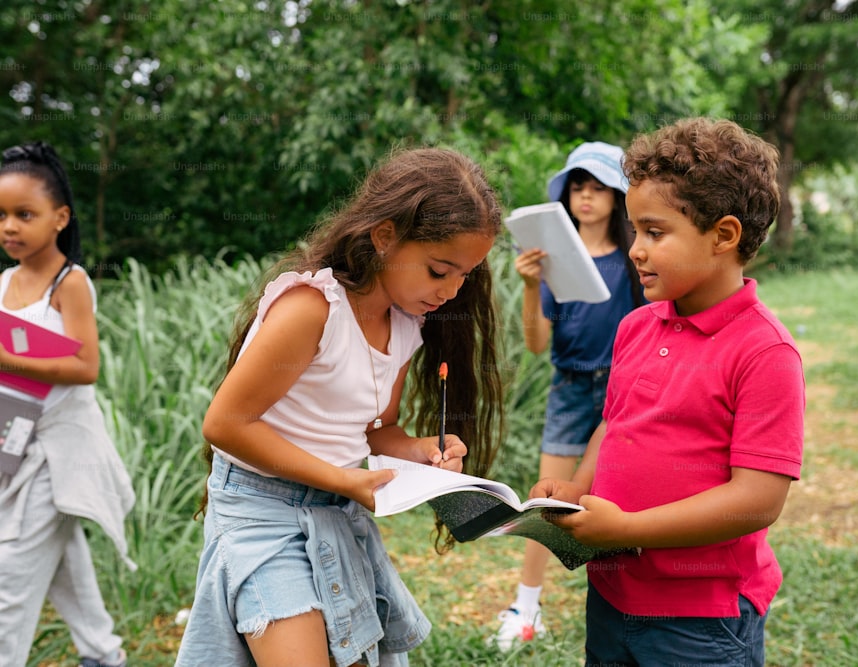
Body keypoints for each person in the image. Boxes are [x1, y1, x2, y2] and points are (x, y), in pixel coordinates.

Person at [175, 147, 505, 667]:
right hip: (262, 511)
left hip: (334, 511)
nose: (452, 290)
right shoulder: (312, 310)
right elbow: (225, 424)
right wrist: (342, 479)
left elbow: (375, 430)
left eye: (465, 275)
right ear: (384, 237)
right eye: (440, 270)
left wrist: (421, 450)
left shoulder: (404, 326)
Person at [532, 118, 806, 667]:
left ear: (724, 236)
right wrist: (576, 489)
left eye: (655, 233)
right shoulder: (635, 326)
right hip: (612, 595)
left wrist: (629, 528)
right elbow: (614, 426)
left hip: (701, 618)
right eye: (635, 231)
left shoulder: (764, 352)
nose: (635, 250)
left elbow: (758, 500)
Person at [492, 141, 644, 650]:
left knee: (619, 499)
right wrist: (533, 286)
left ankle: (631, 606)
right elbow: (537, 343)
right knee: (548, 499)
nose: (587, 195)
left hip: (623, 386)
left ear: (618, 197)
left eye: (599, 187)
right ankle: (525, 606)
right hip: (569, 386)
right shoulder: (550, 259)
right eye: (578, 185)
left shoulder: (633, 259)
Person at [0, 142, 135, 667]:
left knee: (10, 571)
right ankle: (103, 654)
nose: (9, 227)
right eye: (2, 215)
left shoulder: (69, 283)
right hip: (15, 440)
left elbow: (85, 368)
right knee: (63, 559)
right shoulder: (6, 282)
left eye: (24, 214)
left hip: (58, 453)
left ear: (60, 218)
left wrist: (7, 361)